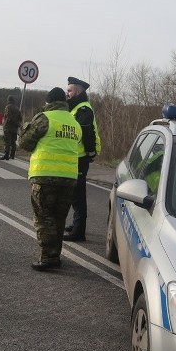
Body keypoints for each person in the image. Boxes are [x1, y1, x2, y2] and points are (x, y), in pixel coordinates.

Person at [18, 87, 82, 271]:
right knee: (59, 218)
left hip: (45, 176)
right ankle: (56, 254)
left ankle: (48, 258)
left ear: (49, 102)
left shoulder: (45, 118)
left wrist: (24, 129)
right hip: (69, 178)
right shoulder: (74, 122)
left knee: (44, 217)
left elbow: (24, 143)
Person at [63, 76, 101, 242]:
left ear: (77, 92)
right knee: (74, 194)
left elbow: (86, 133)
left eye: (70, 90)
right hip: (75, 157)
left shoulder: (83, 109)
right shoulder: (76, 107)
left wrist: (91, 152)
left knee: (78, 195)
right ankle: (76, 223)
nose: (67, 93)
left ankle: (79, 232)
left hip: (80, 157)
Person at [0, 95, 22, 160]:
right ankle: (12, 155)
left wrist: (10, 122)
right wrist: (17, 124)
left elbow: (8, 117)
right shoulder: (17, 109)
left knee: (7, 141)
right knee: (13, 141)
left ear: (8, 100)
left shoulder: (8, 107)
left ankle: (6, 155)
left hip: (8, 127)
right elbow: (20, 118)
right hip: (15, 128)